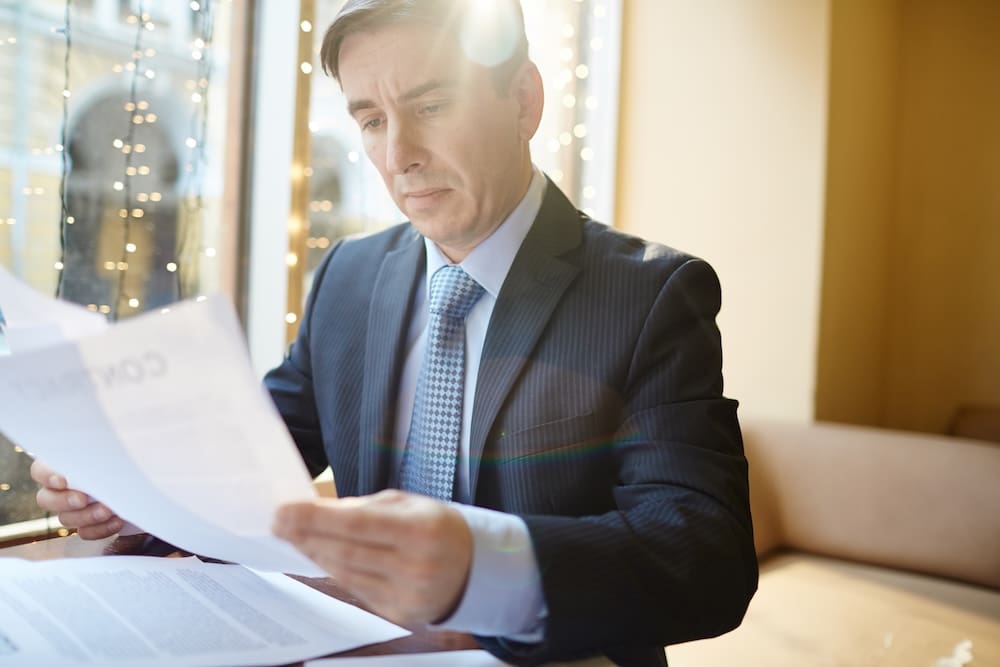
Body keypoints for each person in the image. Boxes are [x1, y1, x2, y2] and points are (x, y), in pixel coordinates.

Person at [32, 1, 757, 664]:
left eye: (430, 105)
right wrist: (133, 488)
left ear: (524, 102)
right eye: (371, 119)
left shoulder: (650, 294)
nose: (396, 154)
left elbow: (706, 555)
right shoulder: (349, 277)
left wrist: (484, 565)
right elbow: (247, 460)